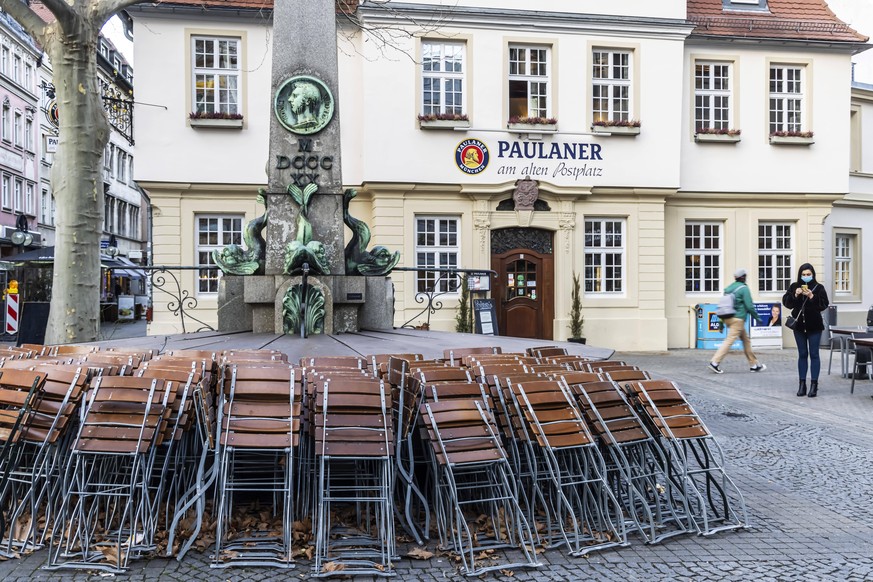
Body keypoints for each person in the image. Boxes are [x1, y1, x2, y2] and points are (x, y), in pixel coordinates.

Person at [782, 263, 830, 398]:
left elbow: (824, 305)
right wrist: (795, 295)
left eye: (808, 274)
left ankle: (814, 384)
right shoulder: (794, 286)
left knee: (814, 354)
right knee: (802, 353)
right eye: (804, 275)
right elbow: (787, 303)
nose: (806, 277)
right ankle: (802, 384)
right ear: (800, 275)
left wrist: (812, 297)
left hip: (814, 326)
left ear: (813, 274)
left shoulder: (819, 288)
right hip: (799, 326)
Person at [709, 268, 766, 374]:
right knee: (729, 341)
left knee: (746, 340)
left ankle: (754, 364)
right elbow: (749, 306)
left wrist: (721, 324)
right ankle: (715, 362)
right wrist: (758, 318)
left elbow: (723, 306)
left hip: (727, 318)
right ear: (743, 277)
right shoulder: (744, 289)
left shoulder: (729, 288)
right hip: (738, 320)